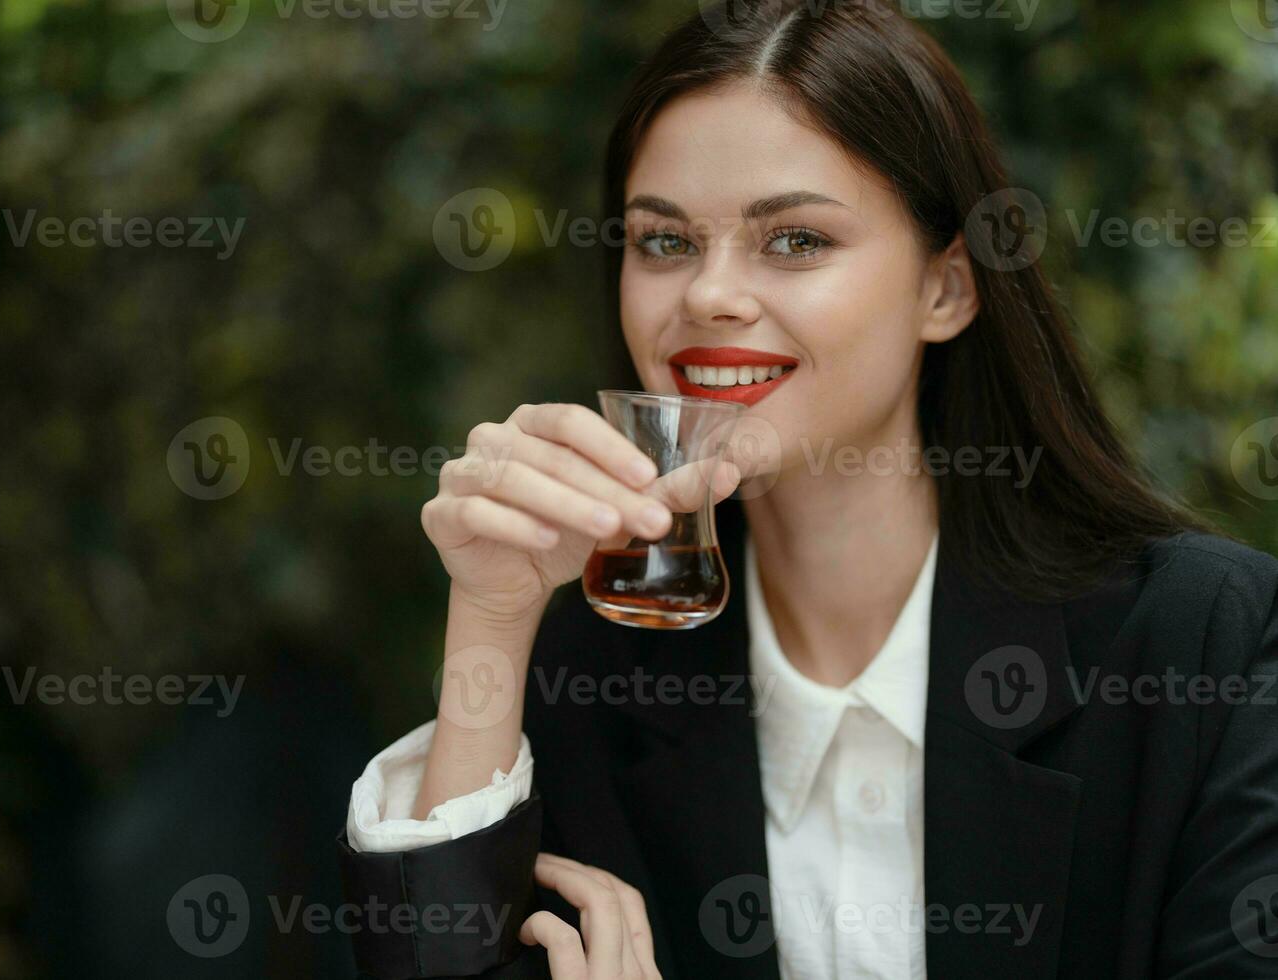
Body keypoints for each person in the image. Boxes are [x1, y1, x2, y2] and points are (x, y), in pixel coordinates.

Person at [335, 1, 1278, 977]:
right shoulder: (582, 679)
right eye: (664, 242)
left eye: (794, 240)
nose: (708, 294)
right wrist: (491, 616)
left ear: (947, 288)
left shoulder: (1204, 646)